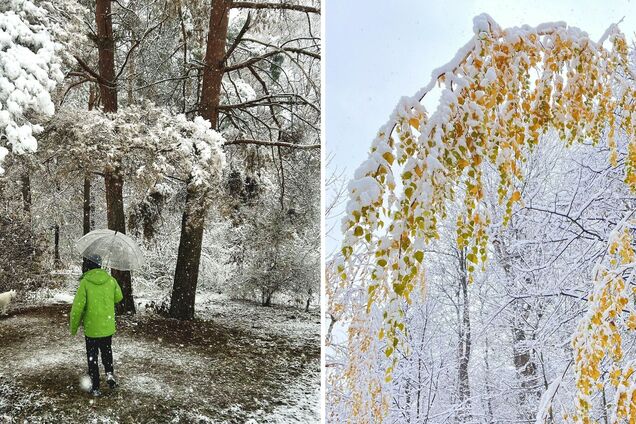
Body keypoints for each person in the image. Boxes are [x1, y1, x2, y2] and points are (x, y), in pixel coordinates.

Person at [70, 257, 123, 397]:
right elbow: (119, 297)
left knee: (92, 356)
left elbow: (77, 308)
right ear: (99, 266)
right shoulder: (111, 280)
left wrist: (73, 327)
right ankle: (110, 374)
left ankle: (95, 386)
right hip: (107, 326)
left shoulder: (85, 283)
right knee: (107, 351)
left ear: (87, 267)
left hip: (92, 327)